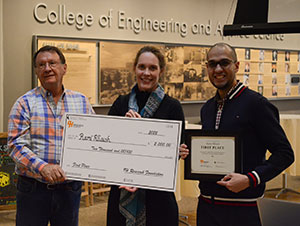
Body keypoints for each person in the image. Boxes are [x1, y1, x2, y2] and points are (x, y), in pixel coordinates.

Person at [182, 43, 294, 226]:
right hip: (206, 206)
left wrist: (251, 179)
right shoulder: (207, 108)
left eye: (224, 63)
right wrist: (189, 153)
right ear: (207, 68)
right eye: (212, 64)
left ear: (236, 66)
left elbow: (284, 153)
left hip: (242, 209)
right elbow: (213, 150)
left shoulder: (257, 105)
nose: (218, 69)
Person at [7, 45, 94, 226]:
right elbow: (15, 145)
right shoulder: (24, 103)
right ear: (37, 72)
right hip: (33, 189)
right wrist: (43, 167)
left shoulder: (81, 102)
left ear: (64, 68)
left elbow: (94, 138)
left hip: (69, 189)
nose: (47, 68)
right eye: (41, 65)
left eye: (52, 63)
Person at [106, 46, 188, 226]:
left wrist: (180, 151)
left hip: (158, 199)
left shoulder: (172, 107)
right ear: (134, 69)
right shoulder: (120, 104)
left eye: (152, 68)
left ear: (161, 71)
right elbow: (108, 150)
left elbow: (175, 152)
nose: (146, 73)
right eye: (142, 67)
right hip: (121, 194)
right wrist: (126, 129)